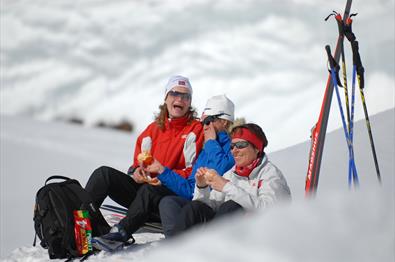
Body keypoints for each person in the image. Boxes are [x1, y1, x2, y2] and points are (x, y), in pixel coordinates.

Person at [86, 75, 204, 251]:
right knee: (103, 174)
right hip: (144, 195)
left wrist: (162, 174)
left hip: (170, 199)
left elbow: (192, 173)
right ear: (166, 97)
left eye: (185, 96)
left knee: (152, 188)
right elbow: (136, 164)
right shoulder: (152, 131)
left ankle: (121, 233)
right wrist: (136, 173)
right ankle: (81, 227)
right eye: (174, 93)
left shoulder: (196, 130)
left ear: (190, 102)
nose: (179, 99)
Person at [170, 123, 291, 236]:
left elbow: (270, 213)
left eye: (241, 145)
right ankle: (173, 251)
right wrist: (202, 187)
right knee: (194, 208)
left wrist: (227, 186)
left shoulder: (270, 174)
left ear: (257, 148)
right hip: (231, 233)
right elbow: (210, 206)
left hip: (259, 234)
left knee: (232, 207)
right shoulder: (231, 173)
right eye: (232, 146)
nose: (234, 150)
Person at [159, 94, 236, 237]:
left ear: (224, 122)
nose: (204, 126)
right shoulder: (206, 149)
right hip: (197, 201)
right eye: (202, 122)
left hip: (214, 207)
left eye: (208, 121)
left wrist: (212, 142)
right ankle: (173, 245)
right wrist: (162, 171)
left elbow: (218, 171)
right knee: (168, 202)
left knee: (192, 207)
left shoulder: (235, 147)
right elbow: (190, 187)